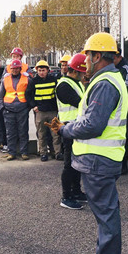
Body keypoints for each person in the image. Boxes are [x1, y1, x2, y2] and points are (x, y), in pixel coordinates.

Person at [47, 32, 128, 254]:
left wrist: (65, 129)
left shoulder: (104, 83)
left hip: (99, 161)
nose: (86, 61)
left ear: (98, 56)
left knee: (106, 212)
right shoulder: (107, 80)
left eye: (89, 55)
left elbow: (93, 124)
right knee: (106, 212)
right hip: (102, 160)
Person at [55, 53, 87, 210]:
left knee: (77, 162)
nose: (85, 75)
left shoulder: (76, 83)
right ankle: (66, 196)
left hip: (76, 127)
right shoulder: (64, 85)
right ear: (77, 71)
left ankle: (76, 191)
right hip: (68, 127)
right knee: (69, 163)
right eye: (83, 72)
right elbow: (80, 103)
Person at [26, 60, 62, 161]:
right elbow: (28, 95)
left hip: (52, 111)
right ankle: (43, 153)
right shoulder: (33, 81)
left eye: (43, 70)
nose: (41, 72)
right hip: (40, 112)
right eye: (39, 70)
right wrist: (34, 106)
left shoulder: (53, 80)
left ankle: (57, 153)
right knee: (41, 134)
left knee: (55, 134)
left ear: (48, 70)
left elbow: (58, 94)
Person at [0, 59, 31, 160]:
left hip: (22, 109)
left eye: (17, 68)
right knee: (10, 133)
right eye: (13, 69)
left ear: (20, 69)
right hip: (8, 110)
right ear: (10, 69)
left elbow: (30, 94)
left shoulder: (27, 79)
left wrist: (27, 108)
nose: (15, 70)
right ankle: (11, 153)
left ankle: (24, 152)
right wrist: (2, 108)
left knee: (23, 132)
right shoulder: (5, 80)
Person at [113, 49, 128, 175]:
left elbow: (123, 87)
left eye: (113, 58)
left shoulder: (126, 69)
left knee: (123, 135)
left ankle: (123, 164)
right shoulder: (114, 68)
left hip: (123, 108)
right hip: (115, 107)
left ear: (119, 57)